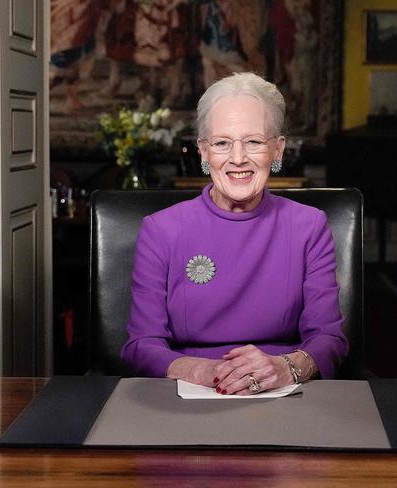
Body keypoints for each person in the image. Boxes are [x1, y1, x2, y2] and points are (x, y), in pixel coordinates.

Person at [121, 72, 348, 395]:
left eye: (254, 142)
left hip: (283, 394)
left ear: (278, 150)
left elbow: (330, 340)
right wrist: (209, 372)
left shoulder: (309, 226)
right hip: (187, 393)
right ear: (203, 151)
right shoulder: (161, 229)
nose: (238, 158)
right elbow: (141, 345)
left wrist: (286, 367)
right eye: (222, 143)